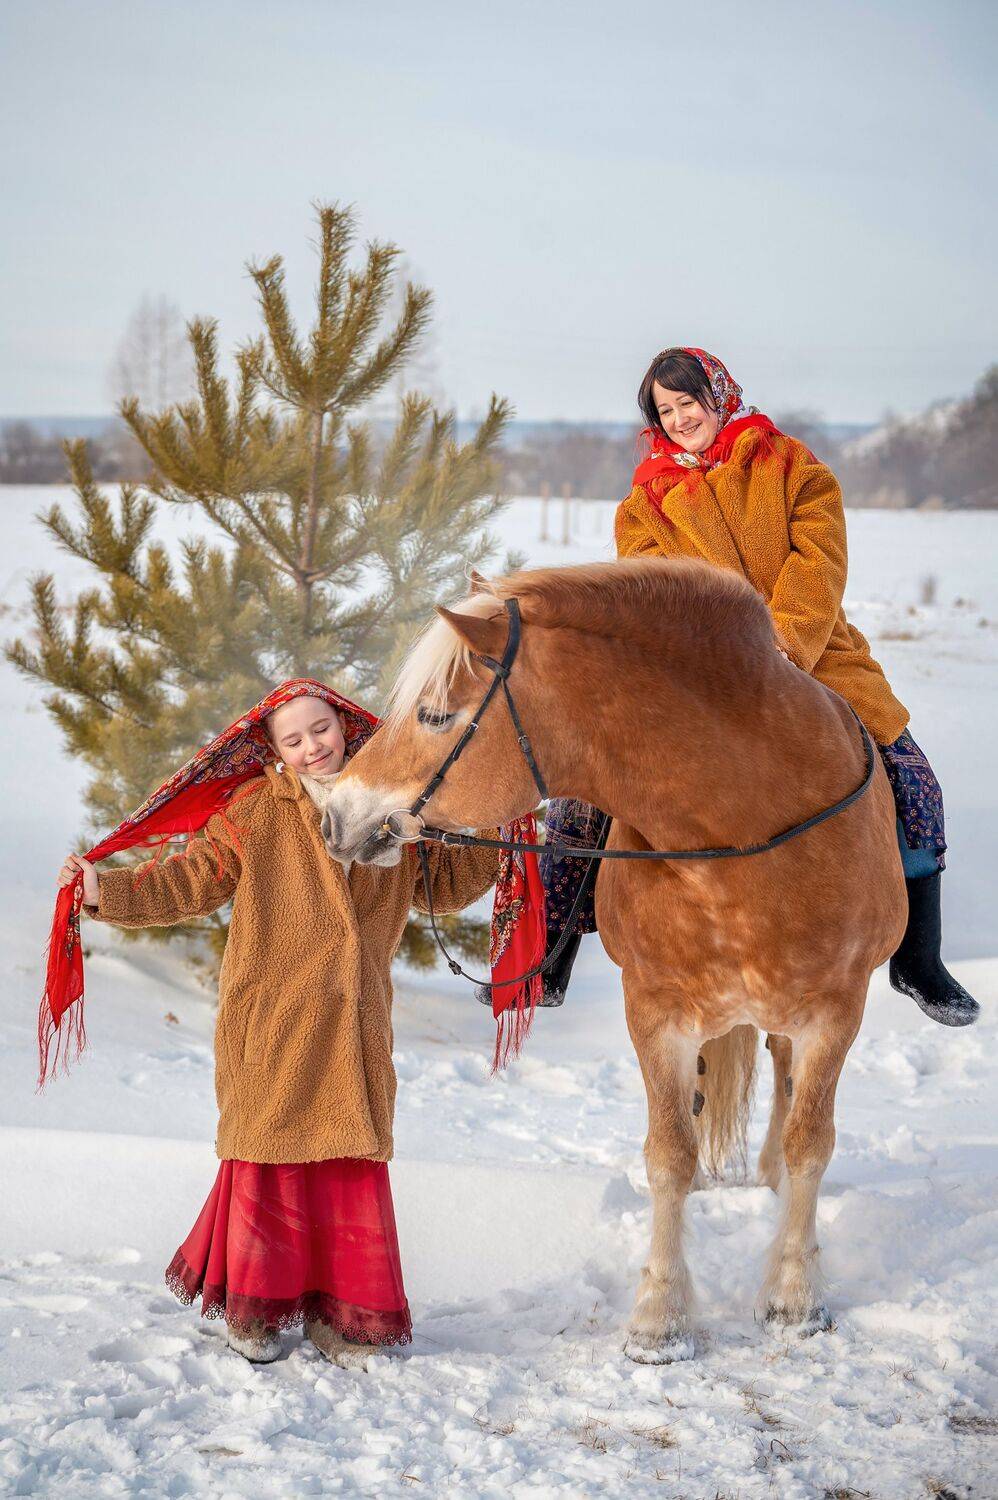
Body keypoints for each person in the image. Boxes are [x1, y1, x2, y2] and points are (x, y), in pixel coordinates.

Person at [53, 680, 500, 1365]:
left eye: (320, 730)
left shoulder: (389, 808)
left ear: (345, 726)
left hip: (354, 1025)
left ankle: (340, 1317)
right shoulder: (256, 812)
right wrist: (103, 891)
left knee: (346, 1165)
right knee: (271, 1159)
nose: (311, 746)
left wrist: (492, 826)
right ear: (274, 749)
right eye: (293, 740)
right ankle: (254, 1312)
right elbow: (189, 880)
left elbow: (443, 887)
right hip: (275, 1022)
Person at [542, 347, 978, 1028]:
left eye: (690, 402)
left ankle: (919, 958)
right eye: (667, 409)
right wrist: (719, 654)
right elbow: (657, 592)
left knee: (915, 780)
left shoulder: (791, 466)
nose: (682, 418)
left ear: (719, 395)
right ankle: (553, 949)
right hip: (699, 671)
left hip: (817, 652)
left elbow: (820, 560)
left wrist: (784, 640)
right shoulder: (645, 503)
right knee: (583, 790)